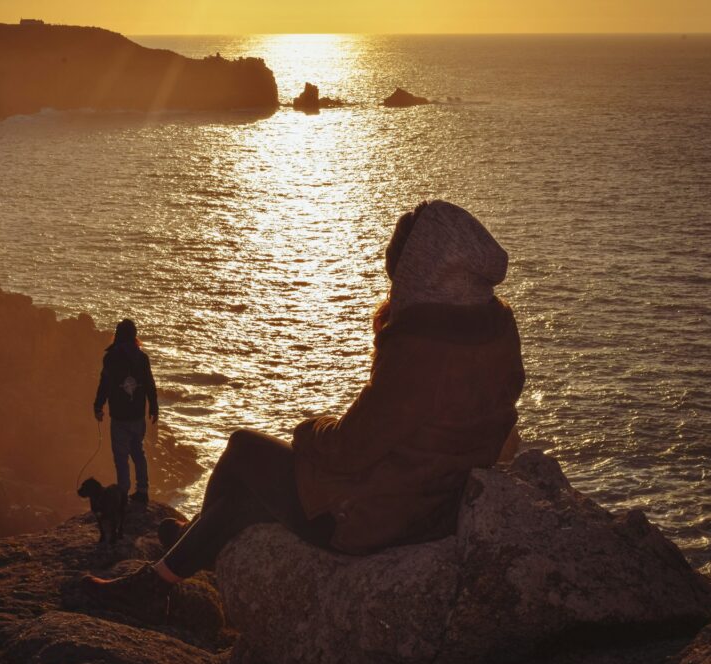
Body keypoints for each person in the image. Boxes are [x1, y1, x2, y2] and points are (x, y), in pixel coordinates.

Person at [81, 200, 526, 620]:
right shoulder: (499, 330)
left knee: (242, 449)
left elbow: (351, 448)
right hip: (434, 505)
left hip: (376, 517)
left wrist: (309, 429)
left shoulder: (420, 347)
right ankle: (174, 562)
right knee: (240, 504)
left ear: (423, 272)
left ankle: (174, 562)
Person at [93, 318, 159, 504]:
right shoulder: (142, 357)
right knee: (138, 452)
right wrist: (154, 407)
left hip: (119, 415)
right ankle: (143, 491)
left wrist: (98, 406)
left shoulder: (111, 357)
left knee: (121, 456)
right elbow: (149, 384)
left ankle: (122, 492)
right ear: (134, 336)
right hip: (137, 414)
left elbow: (104, 384)